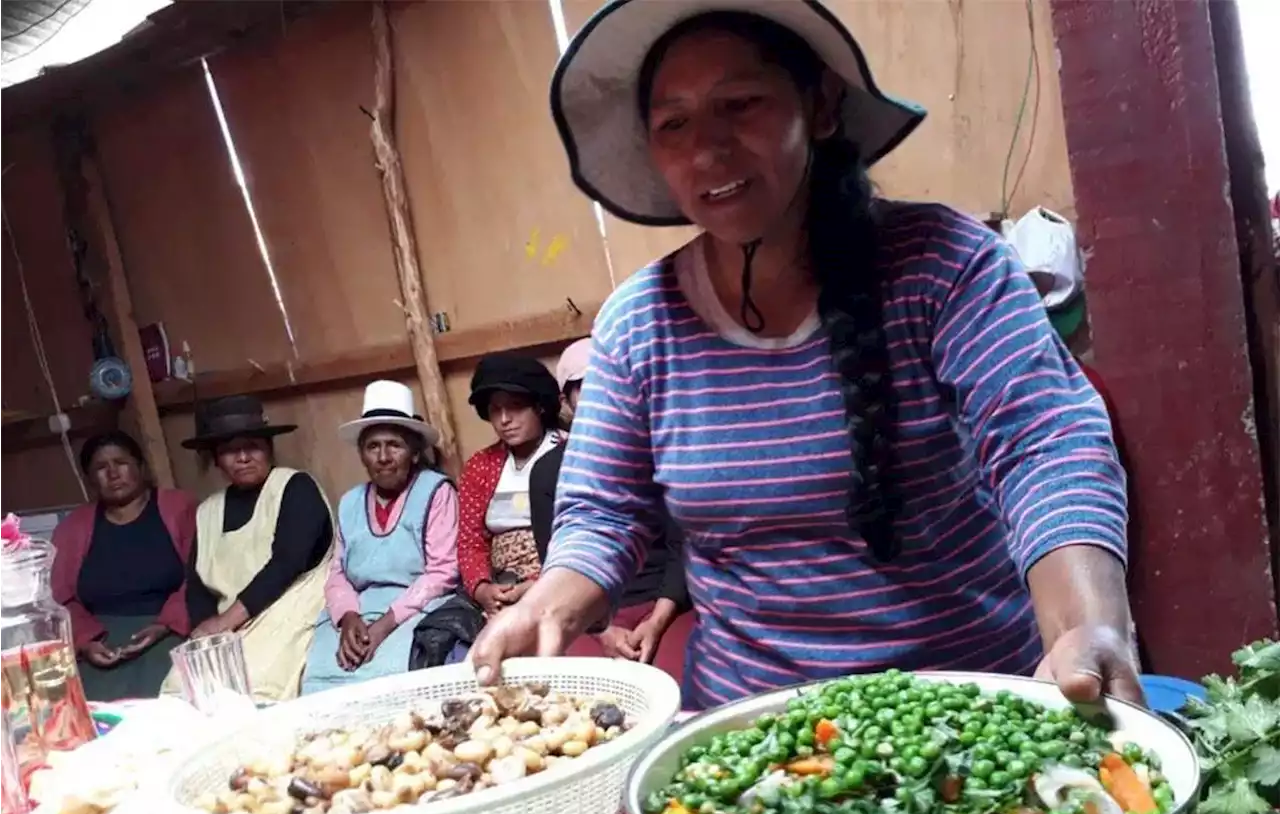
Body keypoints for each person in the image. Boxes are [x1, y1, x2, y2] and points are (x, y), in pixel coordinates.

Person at [471, 0, 1140, 709]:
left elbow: (1044, 443)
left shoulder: (945, 264)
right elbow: (605, 510)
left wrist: (1088, 627)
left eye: (741, 103)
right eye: (674, 124)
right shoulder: (639, 324)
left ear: (820, 105)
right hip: (751, 738)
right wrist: (547, 606)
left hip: (973, 709)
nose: (707, 148)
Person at [530, 339, 693, 679]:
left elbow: (682, 547)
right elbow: (555, 560)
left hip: (666, 604)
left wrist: (657, 621)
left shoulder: (660, 452)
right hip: (591, 614)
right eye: (584, 388)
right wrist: (601, 631)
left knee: (678, 687)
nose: (599, 397)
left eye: (607, 385)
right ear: (566, 400)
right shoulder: (547, 472)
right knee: (585, 701)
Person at [169, 395, 333, 701]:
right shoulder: (208, 511)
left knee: (255, 688)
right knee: (180, 690)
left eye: (252, 446)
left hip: (287, 614)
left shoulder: (295, 488)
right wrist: (206, 630)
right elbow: (197, 586)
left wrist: (225, 622)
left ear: (269, 448)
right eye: (230, 450)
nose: (243, 457)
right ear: (215, 458)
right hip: (227, 629)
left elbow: (286, 563)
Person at [301, 382, 459, 694]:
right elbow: (338, 573)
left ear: (414, 453)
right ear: (362, 454)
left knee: (389, 683)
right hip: (357, 609)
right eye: (373, 447)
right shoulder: (349, 502)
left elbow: (444, 572)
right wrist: (347, 617)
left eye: (394, 445)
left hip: (416, 609)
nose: (383, 456)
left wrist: (385, 625)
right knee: (322, 680)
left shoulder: (436, 492)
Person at [50, 431, 196, 700]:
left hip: (171, 631)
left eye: (121, 463)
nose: (113, 473)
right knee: (91, 714)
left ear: (140, 466)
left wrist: (165, 625)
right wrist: (85, 642)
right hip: (102, 641)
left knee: (165, 705)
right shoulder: (72, 528)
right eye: (101, 468)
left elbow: (199, 576)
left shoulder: (180, 508)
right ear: (90, 479)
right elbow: (60, 597)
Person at [454, 354, 565, 653]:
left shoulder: (568, 453)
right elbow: (470, 541)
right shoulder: (481, 465)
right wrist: (482, 589)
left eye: (515, 407)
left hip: (558, 580)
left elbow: (582, 533)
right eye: (495, 410)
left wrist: (534, 585)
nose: (504, 420)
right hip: (499, 588)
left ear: (539, 406)